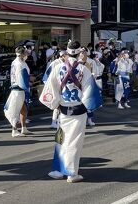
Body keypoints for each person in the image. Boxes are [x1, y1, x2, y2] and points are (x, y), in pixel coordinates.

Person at [40, 41, 102, 183]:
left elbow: (51, 88)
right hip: (78, 110)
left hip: (62, 111)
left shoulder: (58, 67)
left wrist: (55, 104)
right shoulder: (83, 69)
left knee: (61, 140)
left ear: (67, 52)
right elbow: (90, 93)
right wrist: (89, 106)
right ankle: (72, 173)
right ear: (80, 52)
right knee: (74, 142)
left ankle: (57, 170)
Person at [4, 47, 31, 137]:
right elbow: (21, 77)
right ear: (21, 54)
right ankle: (14, 130)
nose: (27, 55)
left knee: (23, 109)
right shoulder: (19, 64)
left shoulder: (20, 62)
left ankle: (24, 127)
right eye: (25, 53)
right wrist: (27, 83)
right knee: (15, 110)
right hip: (18, 88)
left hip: (21, 88)